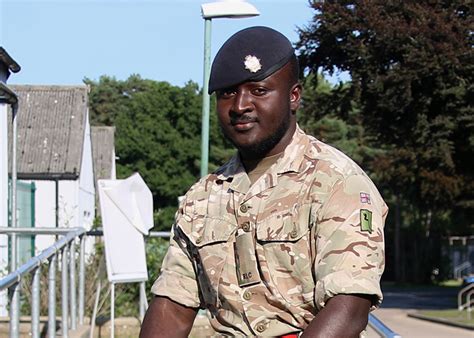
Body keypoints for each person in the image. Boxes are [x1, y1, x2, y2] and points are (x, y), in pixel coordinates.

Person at [140, 26, 387, 337]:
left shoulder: (336, 182)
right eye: (228, 92)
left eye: (259, 90)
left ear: (293, 96)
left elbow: (349, 308)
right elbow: (172, 306)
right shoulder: (202, 198)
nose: (240, 104)